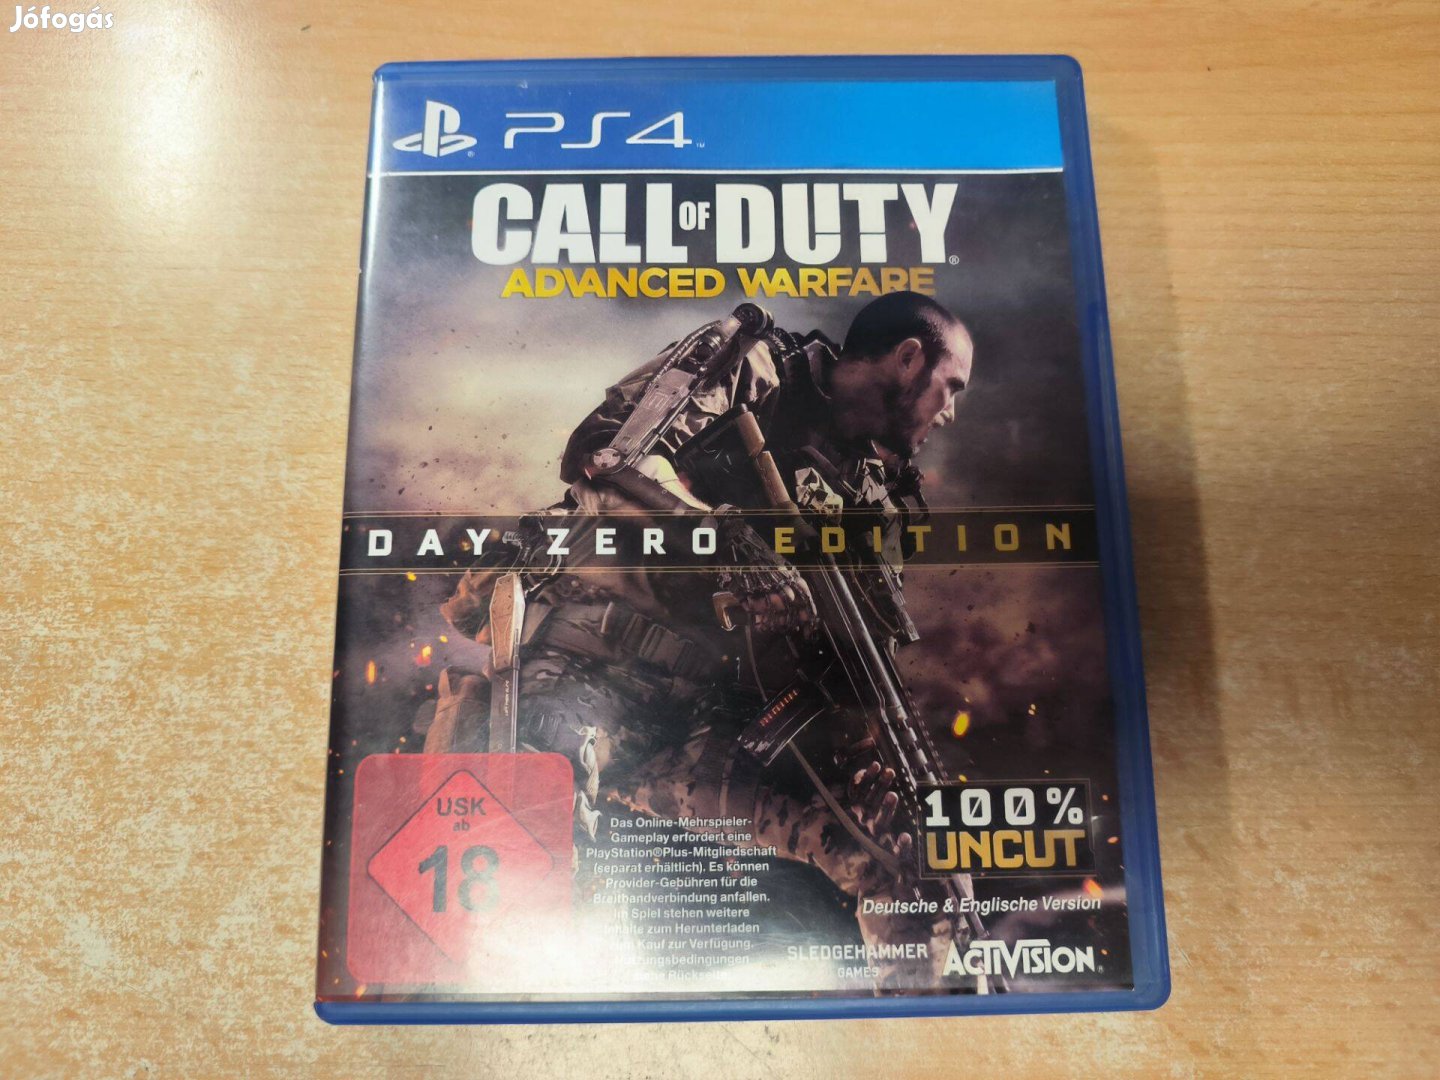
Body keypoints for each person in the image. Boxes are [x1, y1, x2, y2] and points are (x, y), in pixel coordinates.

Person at [430, 291, 975, 987]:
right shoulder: (757, 369)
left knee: (913, 860)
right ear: (908, 358)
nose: (950, 412)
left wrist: (867, 762)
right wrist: (725, 544)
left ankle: (923, 1021)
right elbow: (605, 460)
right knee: (521, 825)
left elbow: (858, 660)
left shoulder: (882, 501)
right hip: (595, 671)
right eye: (951, 387)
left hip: (716, 725)